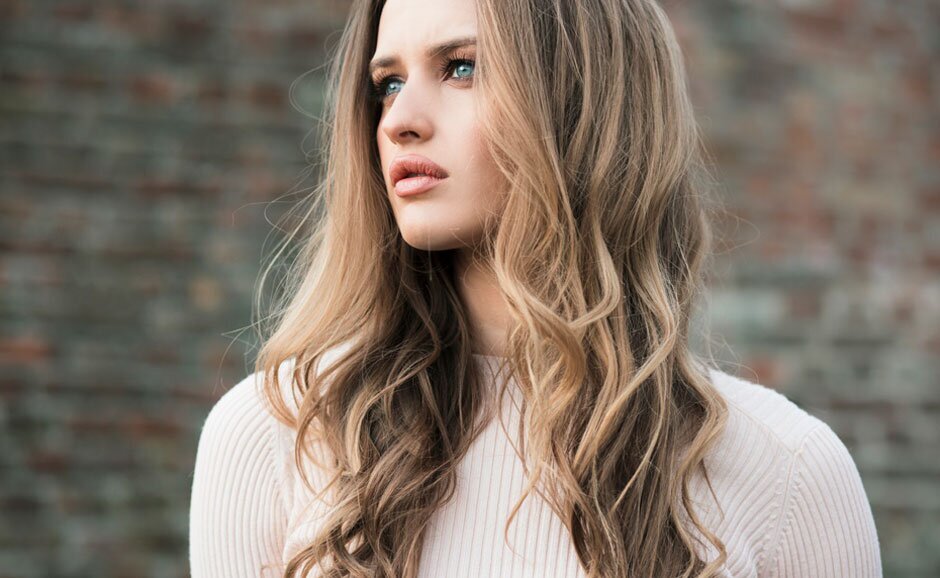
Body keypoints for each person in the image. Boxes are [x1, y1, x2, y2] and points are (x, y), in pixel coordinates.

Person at [188, 0, 883, 576]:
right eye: (388, 83)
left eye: (460, 69)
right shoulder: (274, 436)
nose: (398, 121)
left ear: (581, 102)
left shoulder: (789, 472)